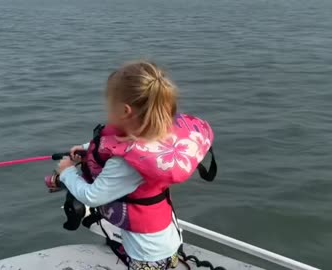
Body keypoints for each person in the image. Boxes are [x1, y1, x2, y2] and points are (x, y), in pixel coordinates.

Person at [55, 60, 217, 270]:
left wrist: (67, 172)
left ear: (124, 111)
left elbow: (92, 196)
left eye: (108, 105)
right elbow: (117, 143)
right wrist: (88, 148)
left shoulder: (125, 164)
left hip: (147, 255)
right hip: (166, 240)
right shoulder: (158, 134)